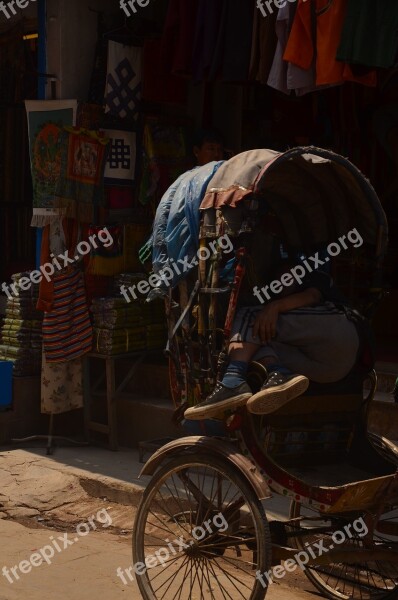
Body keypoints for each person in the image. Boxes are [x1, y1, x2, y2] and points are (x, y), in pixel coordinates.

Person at [184, 263, 360, 420]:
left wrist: (274, 306)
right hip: (329, 370)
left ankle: (232, 379)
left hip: (340, 333)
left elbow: (312, 296)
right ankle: (279, 374)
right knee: (255, 340)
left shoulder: (311, 270)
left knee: (251, 316)